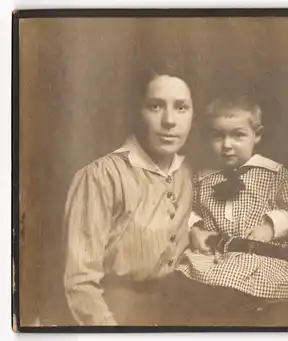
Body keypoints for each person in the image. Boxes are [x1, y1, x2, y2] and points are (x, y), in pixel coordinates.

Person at [63, 63, 195, 326]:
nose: (169, 120)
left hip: (178, 313)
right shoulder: (101, 177)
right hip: (117, 315)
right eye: (155, 106)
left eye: (181, 107)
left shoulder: (188, 173)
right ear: (137, 111)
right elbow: (80, 282)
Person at [175, 96, 288, 326]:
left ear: (257, 135)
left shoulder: (274, 174)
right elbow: (186, 209)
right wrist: (195, 228)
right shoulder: (201, 177)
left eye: (238, 135)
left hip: (260, 259)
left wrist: (271, 226)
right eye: (218, 135)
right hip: (214, 258)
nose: (227, 145)